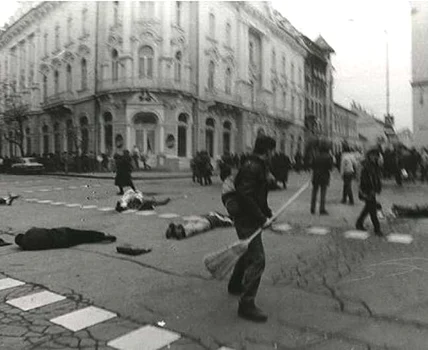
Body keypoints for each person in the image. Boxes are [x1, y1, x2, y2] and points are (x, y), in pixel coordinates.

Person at [227, 135, 276, 323]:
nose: (273, 154)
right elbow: (245, 196)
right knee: (258, 259)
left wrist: (266, 212)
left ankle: (234, 284)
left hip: (250, 216)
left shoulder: (257, 165)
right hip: (246, 218)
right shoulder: (252, 166)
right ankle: (246, 304)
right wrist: (261, 217)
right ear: (268, 150)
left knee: (247, 249)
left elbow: (257, 195)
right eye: (272, 151)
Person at [356, 148, 384, 237]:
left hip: (372, 190)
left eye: (377, 155)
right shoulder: (366, 166)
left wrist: (377, 188)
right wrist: (369, 190)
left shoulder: (374, 165)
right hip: (368, 191)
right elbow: (364, 180)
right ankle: (377, 229)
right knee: (372, 210)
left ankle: (359, 223)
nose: (375, 157)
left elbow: (377, 178)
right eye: (374, 155)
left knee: (368, 208)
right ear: (369, 156)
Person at [15, 227, 116, 251]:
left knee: (83, 239)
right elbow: (42, 230)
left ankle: (99, 239)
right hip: (62, 232)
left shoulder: (28, 247)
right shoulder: (31, 232)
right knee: (83, 233)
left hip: (62, 243)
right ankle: (102, 235)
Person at [165, 212, 233, 240]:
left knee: (215, 215)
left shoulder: (185, 228)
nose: (177, 226)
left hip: (206, 221)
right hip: (208, 222)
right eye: (175, 228)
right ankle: (233, 221)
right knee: (221, 219)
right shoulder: (186, 231)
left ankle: (232, 219)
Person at [310, 140, 333, 215]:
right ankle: (321, 209)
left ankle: (312, 208)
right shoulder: (329, 156)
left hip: (316, 175)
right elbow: (330, 168)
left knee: (314, 192)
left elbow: (312, 165)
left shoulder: (315, 155)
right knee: (323, 193)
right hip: (324, 176)